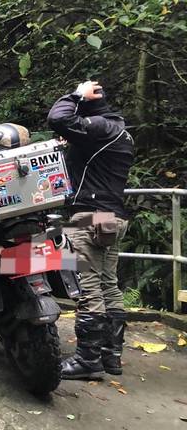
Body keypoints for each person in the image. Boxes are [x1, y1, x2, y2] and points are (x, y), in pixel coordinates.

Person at [47, 81, 134, 380]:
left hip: (90, 217)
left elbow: (58, 117)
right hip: (113, 216)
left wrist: (75, 94)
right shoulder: (119, 130)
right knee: (109, 284)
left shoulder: (100, 126)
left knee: (87, 287)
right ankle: (112, 356)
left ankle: (87, 360)